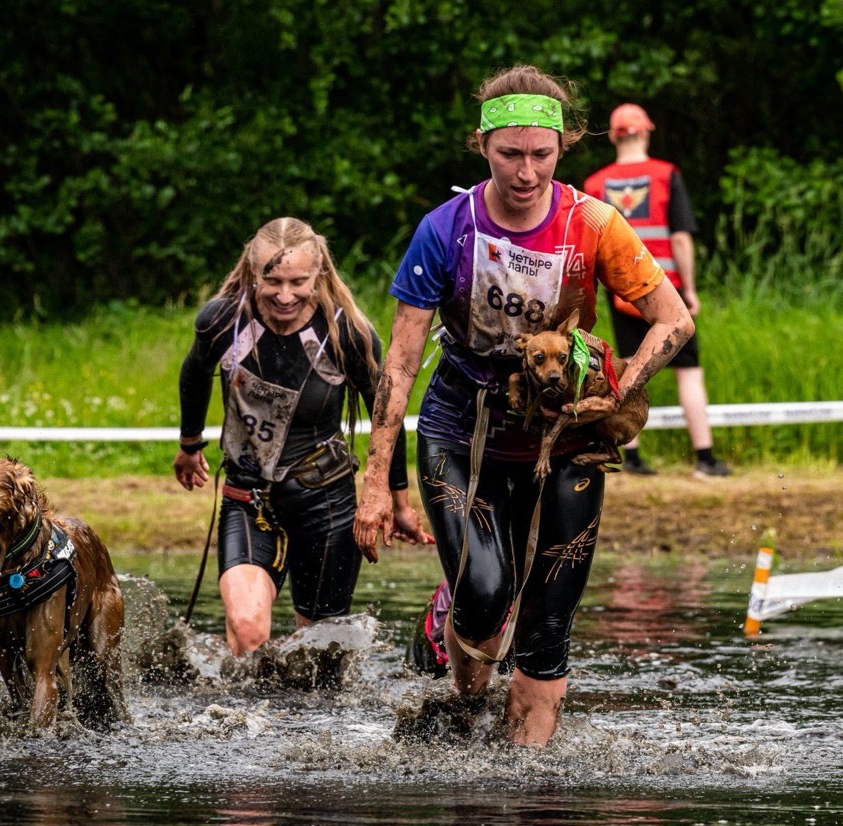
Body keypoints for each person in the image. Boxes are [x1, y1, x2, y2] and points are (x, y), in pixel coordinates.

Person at [353, 65, 694, 748]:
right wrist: (374, 483)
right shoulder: (444, 229)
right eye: (510, 153)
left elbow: (674, 319)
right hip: (463, 425)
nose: (526, 171)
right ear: (481, 145)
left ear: (564, 146)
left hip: (567, 433)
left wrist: (617, 391)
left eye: (541, 153)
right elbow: (398, 362)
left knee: (547, 619)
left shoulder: (594, 223)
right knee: (485, 593)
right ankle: (459, 692)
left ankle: (524, 784)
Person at [173, 217, 432, 657]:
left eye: (299, 281)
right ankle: (243, 722)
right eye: (272, 281)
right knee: (246, 626)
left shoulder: (346, 331)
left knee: (319, 652)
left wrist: (399, 501)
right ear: (253, 273)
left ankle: (301, 725)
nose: (285, 295)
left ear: (320, 274)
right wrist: (189, 443)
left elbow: (385, 411)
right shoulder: (222, 321)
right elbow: (195, 372)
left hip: (325, 499)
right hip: (247, 494)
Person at [584, 103, 731, 478]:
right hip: (667, 292)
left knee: (626, 369)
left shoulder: (595, 185)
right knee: (689, 372)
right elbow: (680, 238)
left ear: (615, 137)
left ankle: (629, 455)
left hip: (621, 294)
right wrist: (691, 288)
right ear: (646, 132)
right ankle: (704, 457)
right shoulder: (666, 175)